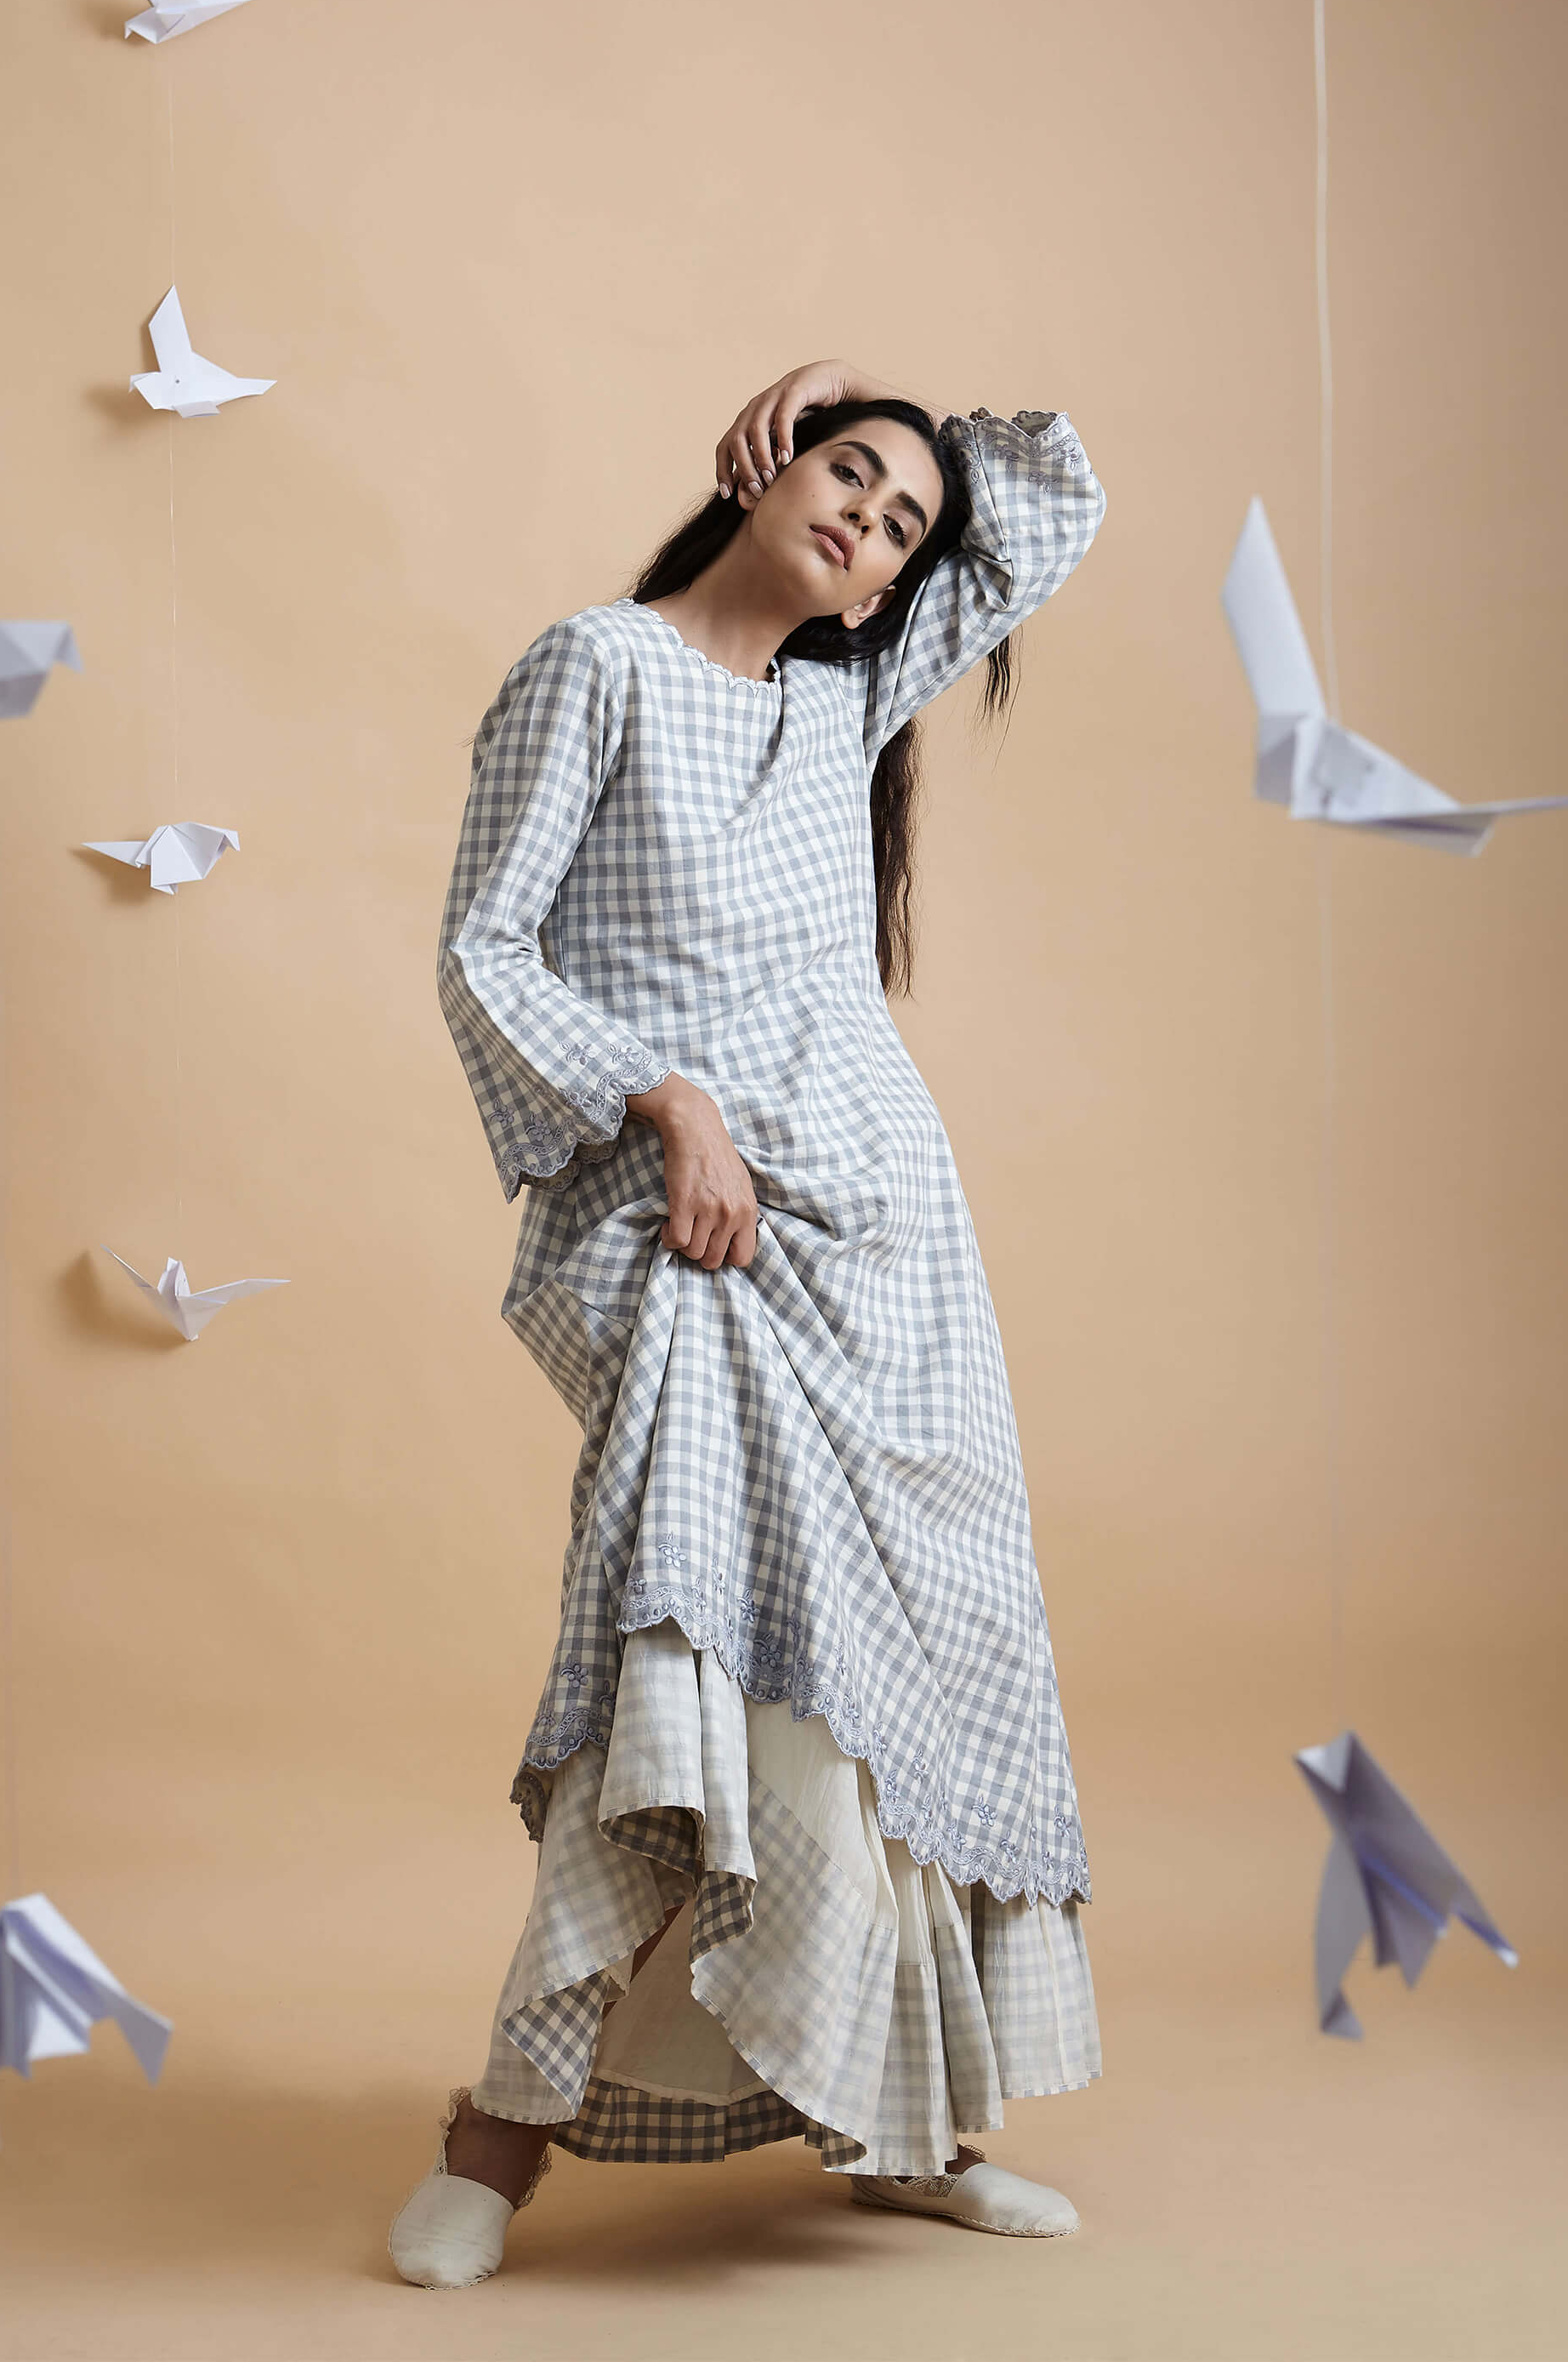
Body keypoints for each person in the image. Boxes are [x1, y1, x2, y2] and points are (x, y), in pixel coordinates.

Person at [390, 359, 1107, 2291]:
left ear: (886, 593)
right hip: (686, 1238)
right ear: (765, 465)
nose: (864, 519)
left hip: (888, 1249)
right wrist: (671, 1101)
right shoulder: (596, 668)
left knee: (901, 1678)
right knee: (695, 1654)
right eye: (846, 473)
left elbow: (1051, 495)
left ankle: (904, 2126)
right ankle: (500, 2133)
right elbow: (484, 946)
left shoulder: (848, 693)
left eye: (893, 524)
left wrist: (925, 420)